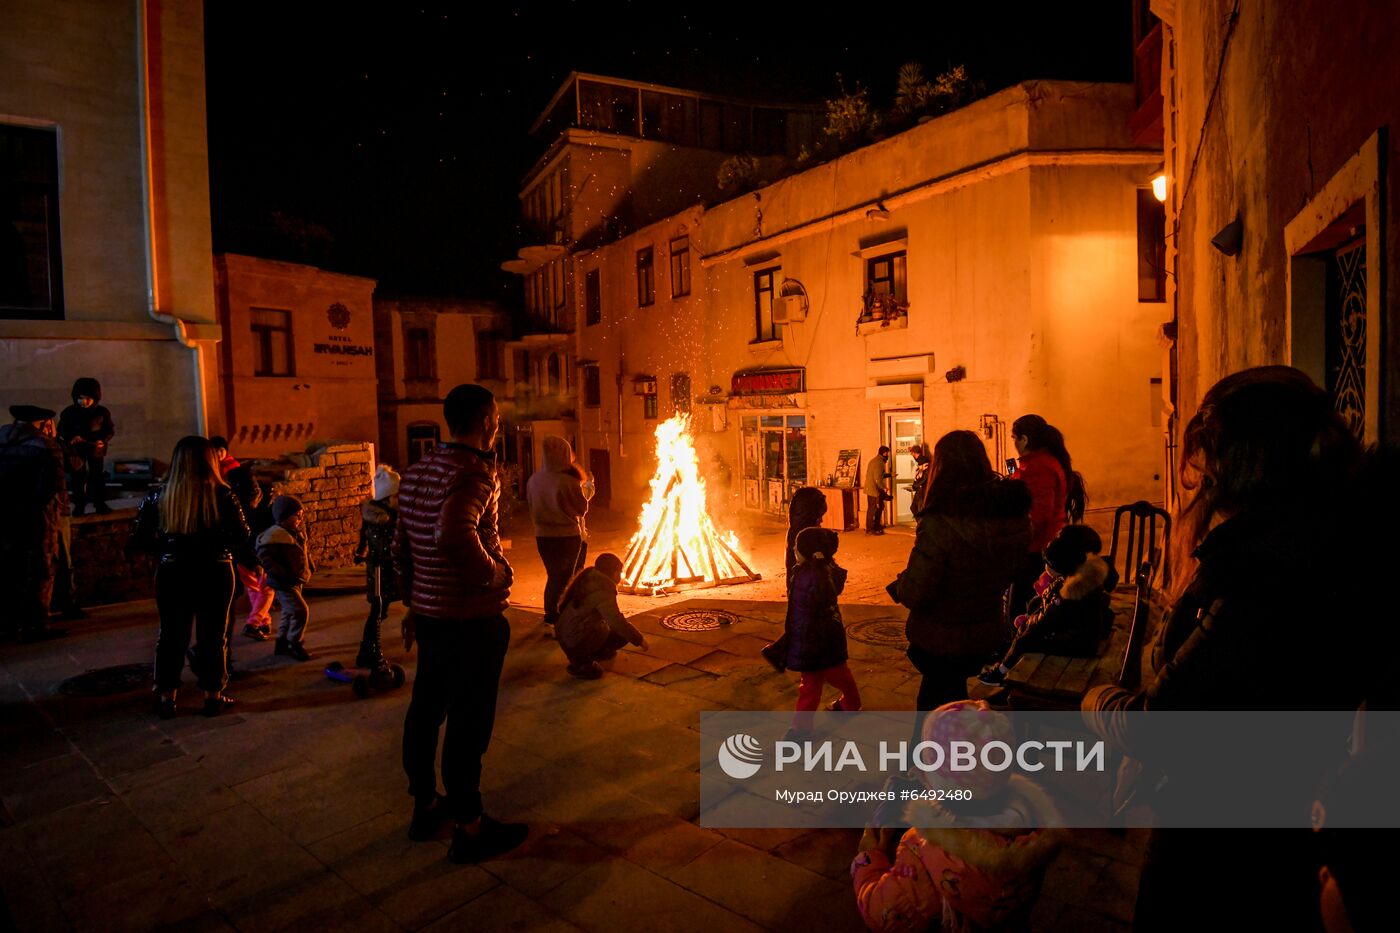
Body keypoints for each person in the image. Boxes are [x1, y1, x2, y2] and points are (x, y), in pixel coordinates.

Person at [1079, 366, 1384, 932]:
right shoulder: (1326, 547)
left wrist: (1096, 702)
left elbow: (1161, 723)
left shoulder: (1266, 572)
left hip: (1224, 837)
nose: (1201, 484)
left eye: (1209, 464)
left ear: (1242, 469)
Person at [394, 383, 525, 863]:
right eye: (497, 418)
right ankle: (469, 827)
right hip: (470, 621)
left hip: (431, 615)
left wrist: (413, 600)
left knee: (426, 710)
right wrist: (493, 575)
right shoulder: (474, 473)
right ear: (488, 421)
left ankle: (426, 806)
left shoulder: (419, 469)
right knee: (470, 722)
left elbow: (401, 544)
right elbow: (453, 534)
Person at [851, 700, 1065, 932]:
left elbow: (882, 913)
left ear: (936, 778)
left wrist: (870, 861)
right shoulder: (1033, 829)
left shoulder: (923, 850)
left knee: (895, 791)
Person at [888, 431, 1031, 714]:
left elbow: (917, 590)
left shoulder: (941, 520)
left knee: (935, 709)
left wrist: (902, 584)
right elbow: (1015, 569)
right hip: (985, 628)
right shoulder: (1009, 513)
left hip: (942, 636)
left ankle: (929, 756)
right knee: (954, 699)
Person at [131, 436, 255, 717]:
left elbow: (139, 537)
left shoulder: (159, 495)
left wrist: (168, 547)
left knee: (171, 634)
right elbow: (242, 534)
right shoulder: (222, 495)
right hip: (215, 569)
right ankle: (213, 696)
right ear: (211, 460)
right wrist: (213, 543)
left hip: (173, 570)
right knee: (213, 635)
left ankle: (166, 697)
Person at [978, 524, 1117, 686]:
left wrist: (1026, 625)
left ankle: (1001, 673)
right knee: (1031, 622)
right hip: (1084, 635)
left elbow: (1041, 623)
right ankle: (1007, 669)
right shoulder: (1085, 576)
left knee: (1025, 638)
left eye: (1049, 565)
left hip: (1080, 644)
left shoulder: (1070, 592)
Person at [779, 527, 860, 733]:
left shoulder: (813, 576)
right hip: (826, 639)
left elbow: (812, 607)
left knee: (811, 684)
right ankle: (851, 704)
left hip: (814, 641)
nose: (794, 551)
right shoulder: (822, 570)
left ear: (808, 552)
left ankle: (800, 730)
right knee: (839, 675)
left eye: (797, 548)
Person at [0, 405, 69, 641]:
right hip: (38, 518)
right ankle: (36, 624)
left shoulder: (2, 442)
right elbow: (54, 486)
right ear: (44, 423)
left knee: (8, 570)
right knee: (41, 569)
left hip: (6, 517)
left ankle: (8, 624)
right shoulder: (45, 447)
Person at [1008, 415, 1086, 612]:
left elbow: (1038, 514)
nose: (1014, 443)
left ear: (1024, 440)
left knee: (1022, 610)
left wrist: (1016, 541)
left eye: (1014, 438)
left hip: (1037, 550)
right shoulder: (1043, 463)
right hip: (1043, 546)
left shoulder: (1038, 467)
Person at [526, 435, 591, 627]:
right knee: (565, 578)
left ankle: (552, 613)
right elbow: (581, 509)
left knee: (554, 575)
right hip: (567, 537)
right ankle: (558, 615)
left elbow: (530, 506)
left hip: (542, 536)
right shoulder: (567, 481)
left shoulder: (533, 480)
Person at [555, 552, 648, 679]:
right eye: (620, 572)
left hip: (565, 635)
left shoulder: (589, 578)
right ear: (615, 572)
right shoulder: (603, 589)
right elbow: (617, 622)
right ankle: (580, 662)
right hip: (574, 640)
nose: (620, 576)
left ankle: (594, 652)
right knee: (621, 634)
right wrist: (639, 640)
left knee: (610, 629)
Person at [353, 464, 401, 674]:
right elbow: (384, 547)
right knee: (378, 611)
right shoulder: (382, 520)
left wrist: (359, 551)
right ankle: (370, 651)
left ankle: (367, 648)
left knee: (380, 611)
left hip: (383, 571)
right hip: (382, 572)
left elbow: (363, 538)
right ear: (387, 498)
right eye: (397, 496)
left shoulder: (385, 517)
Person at [256, 494, 315, 661]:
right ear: (284, 516)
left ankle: (281, 642)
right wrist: (281, 573)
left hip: (295, 578)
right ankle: (294, 642)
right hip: (284, 582)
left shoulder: (295, 533)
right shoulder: (274, 537)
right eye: (297, 515)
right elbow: (266, 559)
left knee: (289, 612)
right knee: (300, 611)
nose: (300, 519)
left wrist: (309, 566)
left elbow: (303, 552)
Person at [225, 463, 274, 640]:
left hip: (241, 555)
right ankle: (253, 623)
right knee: (268, 589)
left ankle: (264, 622)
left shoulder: (231, 501)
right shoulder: (253, 502)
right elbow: (252, 532)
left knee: (255, 589)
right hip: (256, 553)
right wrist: (256, 560)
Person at [57, 376, 115, 515]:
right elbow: (61, 430)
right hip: (77, 451)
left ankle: (100, 504)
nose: (85, 402)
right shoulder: (69, 413)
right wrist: (71, 438)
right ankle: (79, 506)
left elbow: (109, 429)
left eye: (88, 398)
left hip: (96, 449)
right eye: (81, 398)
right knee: (78, 477)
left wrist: (103, 440)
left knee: (97, 476)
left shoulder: (102, 412)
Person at [785, 486, 828, 579]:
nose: (821, 521)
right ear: (810, 515)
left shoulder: (794, 532)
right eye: (819, 516)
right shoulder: (808, 538)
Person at [863, 445, 892, 535]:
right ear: (884, 453)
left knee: (877, 508)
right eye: (887, 453)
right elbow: (877, 478)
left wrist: (890, 475)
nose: (888, 455)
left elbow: (879, 475)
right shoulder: (879, 462)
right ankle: (870, 529)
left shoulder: (874, 460)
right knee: (873, 509)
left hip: (870, 488)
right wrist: (883, 487)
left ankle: (875, 526)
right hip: (873, 490)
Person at [907, 443, 930, 512]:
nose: (911, 455)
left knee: (915, 508)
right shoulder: (921, 460)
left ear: (914, 453)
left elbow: (924, 476)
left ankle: (921, 522)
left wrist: (917, 485)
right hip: (921, 488)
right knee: (916, 508)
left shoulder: (922, 461)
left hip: (921, 488)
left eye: (911, 453)